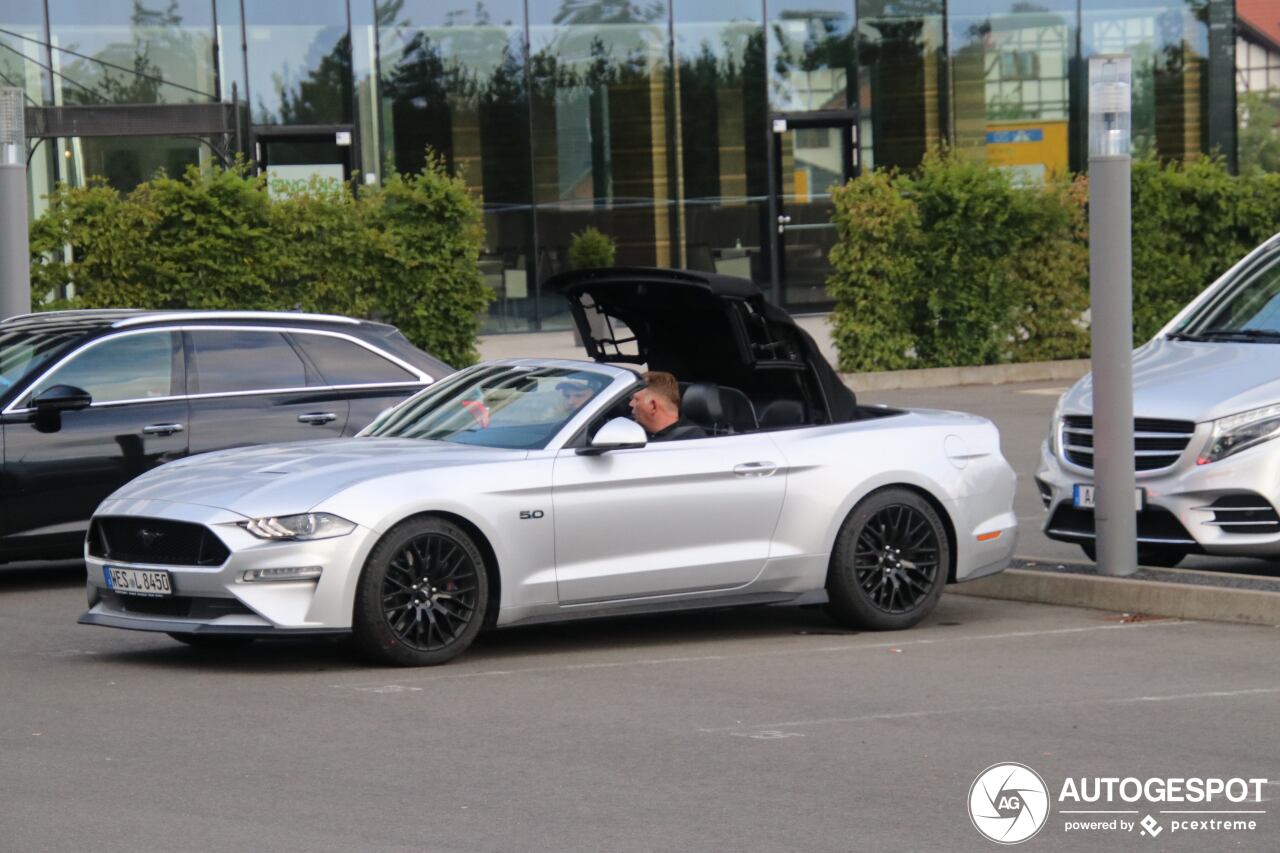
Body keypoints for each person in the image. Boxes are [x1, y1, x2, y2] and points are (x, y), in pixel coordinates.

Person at [629, 370, 707, 441]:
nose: (631, 404)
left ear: (653, 406)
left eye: (636, 399)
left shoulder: (689, 441)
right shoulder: (634, 430)